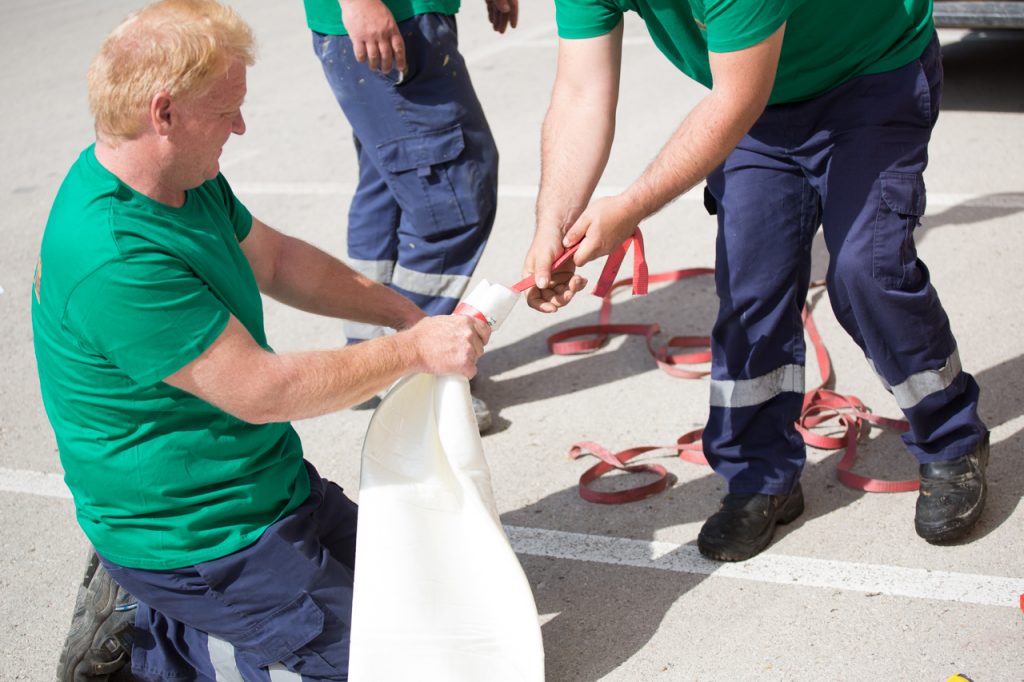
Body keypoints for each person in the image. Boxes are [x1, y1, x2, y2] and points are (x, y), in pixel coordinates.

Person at [34, 1, 490, 679]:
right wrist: (415, 353)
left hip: (264, 488)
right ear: (163, 113)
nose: (241, 126)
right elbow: (263, 390)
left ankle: (162, 610)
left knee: (449, 615)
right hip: (199, 537)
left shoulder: (176, 180)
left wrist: (408, 317)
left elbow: (276, 261)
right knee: (396, 671)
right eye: (226, 110)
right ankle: (153, 641)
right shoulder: (114, 257)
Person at [521, 0, 990, 562]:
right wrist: (553, 224)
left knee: (866, 272)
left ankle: (951, 442)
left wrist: (628, 209)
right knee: (752, 289)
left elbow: (737, 96)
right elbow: (579, 93)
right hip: (758, 105)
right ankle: (760, 476)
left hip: (869, 74)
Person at [302, 0, 518, 428]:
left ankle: (368, 354)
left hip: (405, 16)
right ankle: (414, 374)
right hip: (389, 18)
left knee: (391, 182)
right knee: (450, 197)